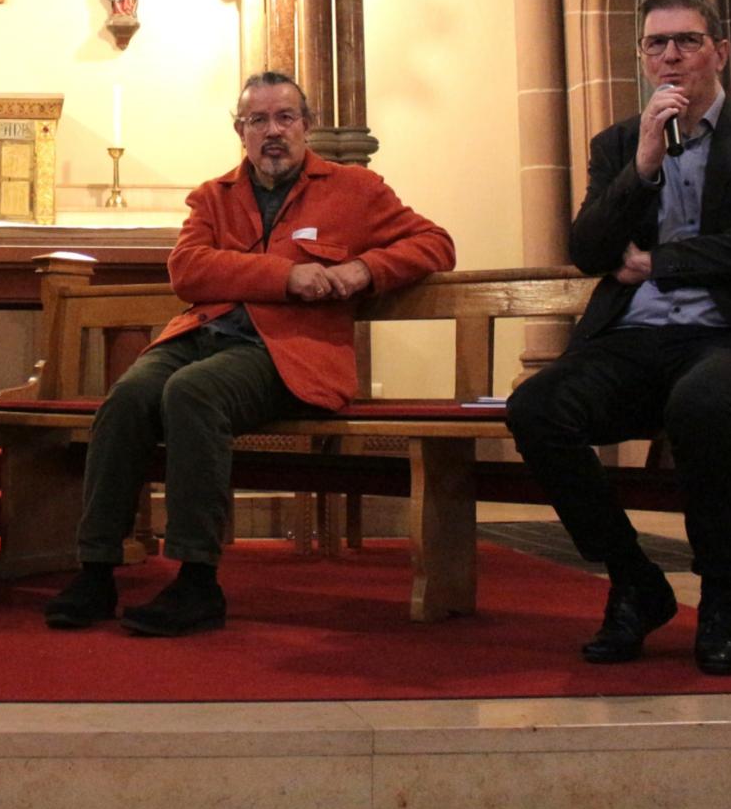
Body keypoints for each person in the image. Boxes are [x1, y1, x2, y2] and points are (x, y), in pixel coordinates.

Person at [43, 72, 455, 636]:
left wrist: (365, 269)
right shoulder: (214, 196)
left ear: (307, 125)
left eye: (285, 117)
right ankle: (95, 571)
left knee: (192, 393)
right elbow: (188, 271)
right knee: (128, 396)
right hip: (201, 335)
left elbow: (436, 244)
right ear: (241, 131)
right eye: (258, 120)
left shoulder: (354, 190)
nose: (272, 131)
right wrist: (286, 276)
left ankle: (197, 581)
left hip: (291, 353)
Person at [506, 0, 731, 676]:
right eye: (657, 44)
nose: (671, 55)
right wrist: (644, 163)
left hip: (728, 337)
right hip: (634, 337)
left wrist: (661, 262)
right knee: (536, 407)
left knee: (702, 405)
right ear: (644, 59)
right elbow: (588, 250)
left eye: (687, 41)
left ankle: (722, 599)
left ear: (719, 51)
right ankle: (634, 581)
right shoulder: (620, 143)